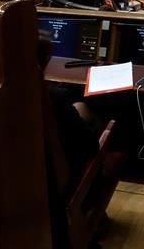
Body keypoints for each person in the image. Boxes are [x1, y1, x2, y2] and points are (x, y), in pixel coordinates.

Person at [36, 33, 101, 192]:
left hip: (23, 180)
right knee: (86, 111)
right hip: (58, 184)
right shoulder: (54, 98)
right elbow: (90, 145)